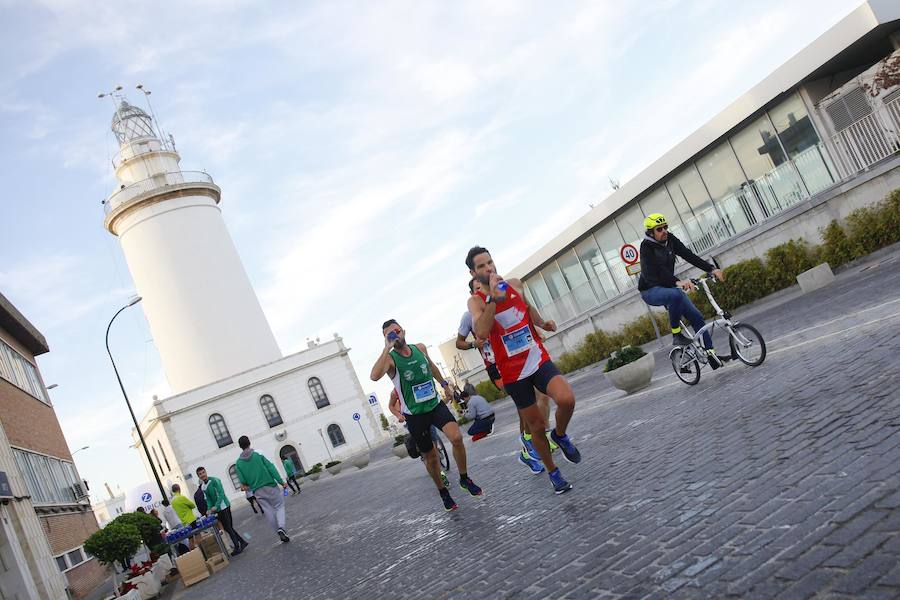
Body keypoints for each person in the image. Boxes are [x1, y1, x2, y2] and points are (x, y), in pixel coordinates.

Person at [467, 246, 581, 495]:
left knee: (566, 399)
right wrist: (492, 301)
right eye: (482, 266)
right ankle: (554, 473)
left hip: (536, 358)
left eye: (490, 262)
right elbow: (483, 333)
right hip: (512, 373)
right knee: (537, 426)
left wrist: (543, 323)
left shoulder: (515, 284)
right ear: (473, 273)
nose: (489, 268)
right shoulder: (476, 302)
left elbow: (527, 309)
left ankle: (560, 436)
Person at [371, 319, 482, 512]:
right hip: (415, 415)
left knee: (456, 437)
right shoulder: (390, 359)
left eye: (396, 331)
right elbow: (374, 376)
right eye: (390, 334)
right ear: (386, 339)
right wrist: (386, 347)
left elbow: (432, 368)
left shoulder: (420, 348)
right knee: (430, 457)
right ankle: (443, 492)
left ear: (403, 331)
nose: (395, 335)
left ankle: (464, 479)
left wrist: (445, 385)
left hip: (435, 405)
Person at [456, 278, 555, 474]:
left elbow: (519, 319)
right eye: (477, 289)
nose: (483, 290)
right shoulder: (469, 316)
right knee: (526, 402)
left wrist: (537, 330)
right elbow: (459, 342)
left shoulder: (503, 302)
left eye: (483, 286)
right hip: (496, 366)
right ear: (472, 294)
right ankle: (529, 445)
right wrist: (474, 344)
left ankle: (536, 438)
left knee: (541, 397)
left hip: (517, 358)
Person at [638, 213, 727, 369]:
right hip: (651, 290)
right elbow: (654, 274)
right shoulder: (646, 248)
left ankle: (711, 355)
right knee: (676, 294)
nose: (664, 231)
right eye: (659, 229)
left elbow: (689, 255)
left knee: (697, 317)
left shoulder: (670, 239)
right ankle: (676, 334)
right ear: (651, 232)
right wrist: (677, 282)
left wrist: (711, 269)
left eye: (665, 227)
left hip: (669, 286)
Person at [235, 436, 290, 543]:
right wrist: (281, 482)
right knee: (279, 506)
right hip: (269, 485)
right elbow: (271, 468)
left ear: (240, 447)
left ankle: (279, 534)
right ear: (249, 443)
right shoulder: (258, 454)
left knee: (268, 511)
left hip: (256, 490)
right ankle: (281, 528)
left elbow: (243, 481)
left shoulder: (238, 463)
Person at [197, 466, 248, 556]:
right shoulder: (203, 487)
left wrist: (216, 506)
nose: (202, 475)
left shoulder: (214, 481)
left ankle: (237, 546)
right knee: (228, 528)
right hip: (217, 510)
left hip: (224, 506)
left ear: (206, 472)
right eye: (200, 474)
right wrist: (209, 508)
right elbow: (208, 499)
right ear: (198, 476)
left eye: (203, 472)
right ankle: (242, 542)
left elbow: (221, 494)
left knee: (228, 527)